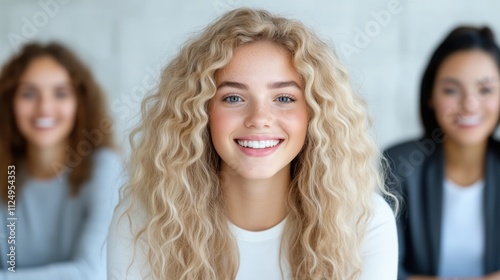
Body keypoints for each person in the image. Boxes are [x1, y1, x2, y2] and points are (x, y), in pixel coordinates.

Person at [108, 8, 398, 280]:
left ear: (313, 113)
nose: (259, 119)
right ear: (200, 112)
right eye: (233, 98)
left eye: (284, 99)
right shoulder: (144, 221)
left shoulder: (363, 222)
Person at [0, 42, 123, 279]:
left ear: (80, 104)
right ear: (9, 103)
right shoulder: (6, 173)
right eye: (29, 93)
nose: (44, 107)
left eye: (60, 93)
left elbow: (92, 274)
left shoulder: (104, 168)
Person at [385, 26, 500, 280]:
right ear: (431, 96)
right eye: (451, 90)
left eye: (486, 90)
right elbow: (384, 268)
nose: (469, 104)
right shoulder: (399, 164)